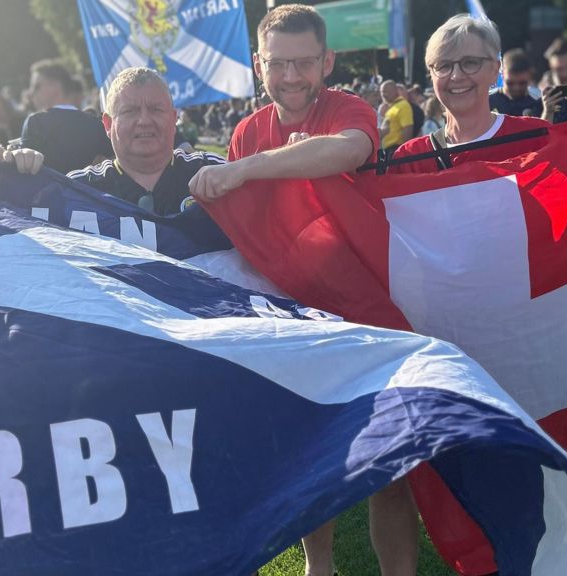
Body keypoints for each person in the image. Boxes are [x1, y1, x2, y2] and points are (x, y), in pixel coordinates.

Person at [188, 9, 412, 576]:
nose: (291, 76)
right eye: (278, 63)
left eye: (304, 63)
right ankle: (321, 568)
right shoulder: (246, 130)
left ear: (327, 62)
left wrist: (248, 169)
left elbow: (350, 150)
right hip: (296, 316)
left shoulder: (345, 108)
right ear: (259, 65)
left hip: (371, 309)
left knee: (390, 465)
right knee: (312, 456)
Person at [390, 15, 549, 175]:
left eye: (470, 62)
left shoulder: (537, 140)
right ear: (431, 75)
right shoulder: (409, 162)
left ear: (495, 70)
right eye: (444, 65)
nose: (456, 76)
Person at [66, 67, 225, 216]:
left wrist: (245, 169)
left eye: (156, 109)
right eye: (130, 111)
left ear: (173, 118)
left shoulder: (216, 173)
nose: (144, 121)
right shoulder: (77, 191)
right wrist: (40, 183)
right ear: (108, 124)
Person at [18, 59, 112, 174]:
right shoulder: (97, 123)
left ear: (56, 86)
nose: (31, 92)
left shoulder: (35, 123)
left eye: (36, 86)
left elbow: (26, 173)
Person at [489, 48, 542, 117]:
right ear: (502, 74)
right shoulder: (486, 101)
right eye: (510, 83)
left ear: (530, 76)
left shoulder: (540, 100)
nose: (516, 88)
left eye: (522, 83)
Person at [379, 80, 414, 155]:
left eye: (386, 91)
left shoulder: (403, 105)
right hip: (389, 151)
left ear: (395, 91)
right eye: (381, 92)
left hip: (396, 150)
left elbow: (407, 130)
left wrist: (404, 153)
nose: (383, 95)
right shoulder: (392, 107)